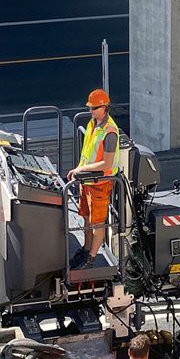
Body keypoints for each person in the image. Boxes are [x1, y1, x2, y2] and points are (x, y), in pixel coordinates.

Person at [66, 88, 120, 267]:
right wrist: (79, 169)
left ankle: (92, 257)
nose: (91, 111)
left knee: (98, 223)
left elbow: (107, 164)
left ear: (104, 107)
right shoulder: (93, 123)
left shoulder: (110, 132)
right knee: (87, 218)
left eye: (94, 108)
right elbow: (88, 153)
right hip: (87, 180)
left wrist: (81, 170)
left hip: (99, 183)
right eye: (90, 108)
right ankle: (86, 248)